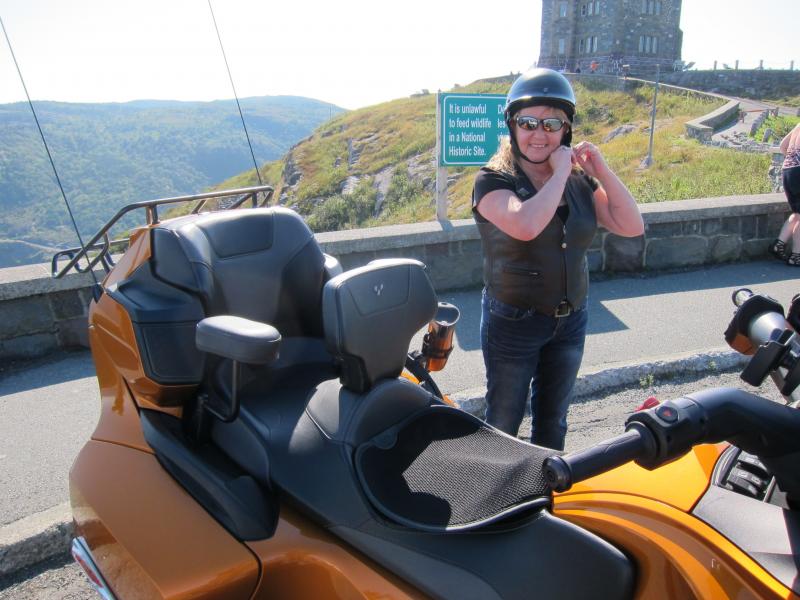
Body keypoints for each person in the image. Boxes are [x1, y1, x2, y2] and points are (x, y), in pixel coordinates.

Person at [472, 68, 644, 450]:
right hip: (513, 322)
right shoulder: (493, 181)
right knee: (502, 422)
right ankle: (496, 501)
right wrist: (561, 171)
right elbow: (527, 224)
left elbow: (631, 225)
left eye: (552, 123)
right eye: (528, 122)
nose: (540, 133)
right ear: (512, 126)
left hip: (570, 321)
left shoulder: (580, 181)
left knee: (554, 421)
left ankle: (543, 497)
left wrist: (601, 170)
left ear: (566, 129)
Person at [770, 123, 800, 265]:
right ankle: (796, 255)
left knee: (797, 213)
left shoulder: (798, 125)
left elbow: (783, 146)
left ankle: (779, 245)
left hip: (788, 170)